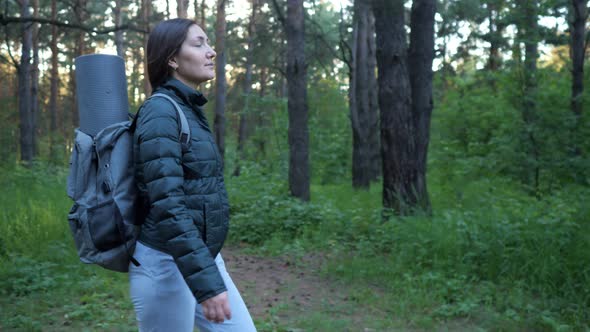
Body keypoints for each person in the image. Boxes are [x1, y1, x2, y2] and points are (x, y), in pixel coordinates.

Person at [129, 18, 256, 332]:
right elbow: (168, 204)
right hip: (165, 265)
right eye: (199, 44)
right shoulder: (160, 111)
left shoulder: (187, 109)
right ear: (172, 58)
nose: (212, 52)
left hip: (201, 257)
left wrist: (207, 273)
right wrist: (207, 285)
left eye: (209, 43)